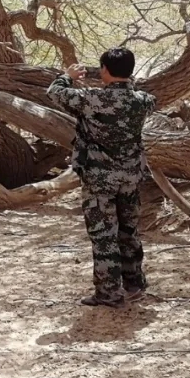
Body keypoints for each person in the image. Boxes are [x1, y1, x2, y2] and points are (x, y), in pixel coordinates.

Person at [47, 47, 156, 307]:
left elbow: (54, 93)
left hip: (100, 179)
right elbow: (137, 94)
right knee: (129, 231)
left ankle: (108, 293)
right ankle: (134, 284)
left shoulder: (92, 98)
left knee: (104, 235)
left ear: (105, 70)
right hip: (130, 176)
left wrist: (67, 76)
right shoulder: (144, 100)